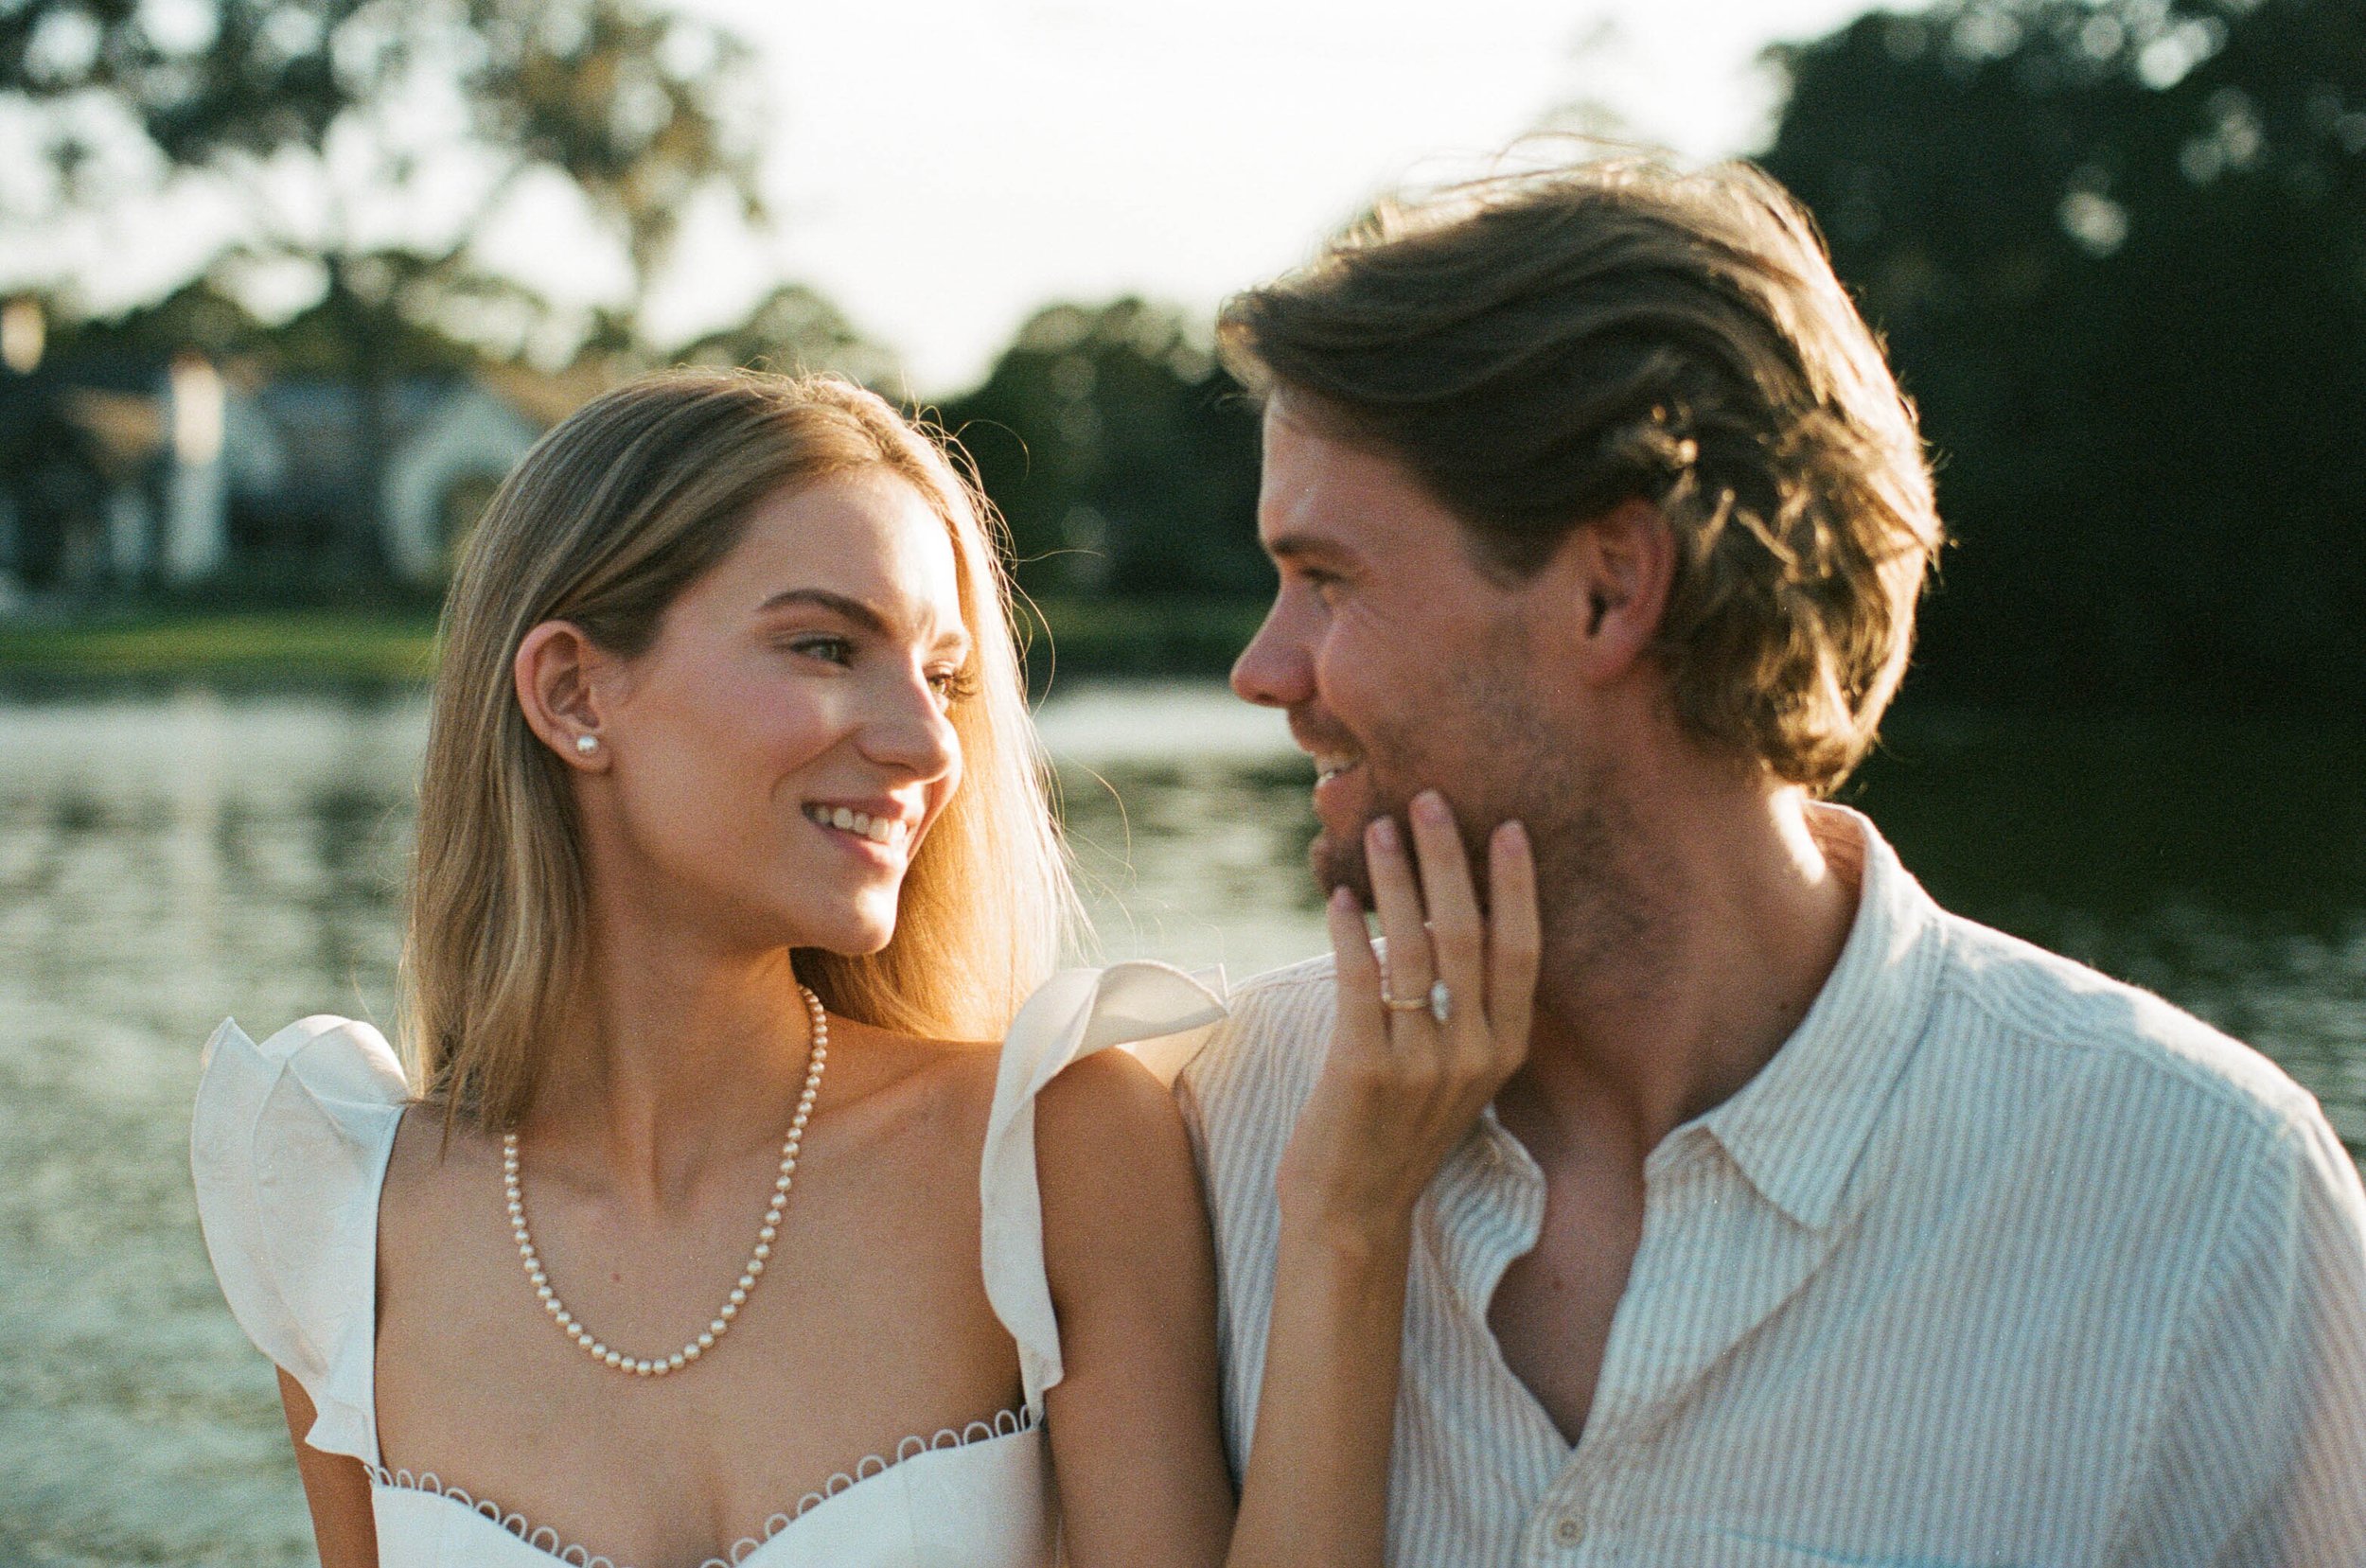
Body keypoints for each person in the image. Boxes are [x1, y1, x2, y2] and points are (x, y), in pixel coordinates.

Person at [1181, 154, 2366, 1565]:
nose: (1265, 669)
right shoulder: (1216, 1128)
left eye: (1328, 579)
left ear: (1612, 585)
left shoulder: (2206, 1198)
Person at [189, 369, 1539, 1568]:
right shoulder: (337, 1216)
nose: (925, 745)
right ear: (572, 694)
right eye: (827, 646)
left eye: (943, 677)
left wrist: (1350, 1224)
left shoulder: (1048, 1149)